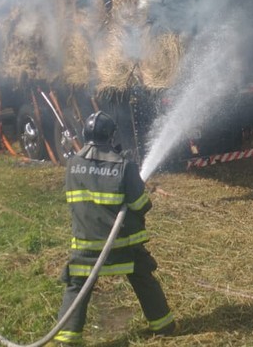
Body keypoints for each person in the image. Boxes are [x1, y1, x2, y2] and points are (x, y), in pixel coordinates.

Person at [53, 111, 175, 345]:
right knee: (142, 277)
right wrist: (136, 182)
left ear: (86, 134)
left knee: (77, 286)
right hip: (123, 245)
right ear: (110, 136)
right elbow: (140, 205)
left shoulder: (73, 165)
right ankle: (164, 325)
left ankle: (66, 338)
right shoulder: (124, 166)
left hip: (85, 246)